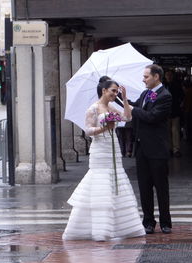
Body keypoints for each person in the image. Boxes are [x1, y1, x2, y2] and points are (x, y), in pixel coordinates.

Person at [62, 77, 145, 241]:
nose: (115, 93)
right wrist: (103, 128)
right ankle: (100, 228)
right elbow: (88, 130)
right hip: (100, 149)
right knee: (100, 183)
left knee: (116, 180)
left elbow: (127, 118)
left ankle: (121, 226)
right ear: (104, 91)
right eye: (113, 91)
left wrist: (125, 98)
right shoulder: (93, 108)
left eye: (116, 91)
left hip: (113, 147)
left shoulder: (111, 106)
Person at [130, 64, 172, 234]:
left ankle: (165, 222)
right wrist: (120, 98)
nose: (143, 79)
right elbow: (137, 107)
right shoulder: (145, 93)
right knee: (144, 187)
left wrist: (133, 109)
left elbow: (151, 117)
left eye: (146, 76)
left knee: (161, 187)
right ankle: (148, 221)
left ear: (156, 77)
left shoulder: (165, 95)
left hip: (157, 149)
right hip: (142, 148)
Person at [164, 70, 184, 157]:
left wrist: (179, 104)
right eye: (167, 75)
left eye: (170, 75)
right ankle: (169, 148)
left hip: (175, 110)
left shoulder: (177, 85)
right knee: (167, 131)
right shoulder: (163, 86)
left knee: (175, 130)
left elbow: (182, 96)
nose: (169, 77)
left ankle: (176, 149)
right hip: (165, 112)